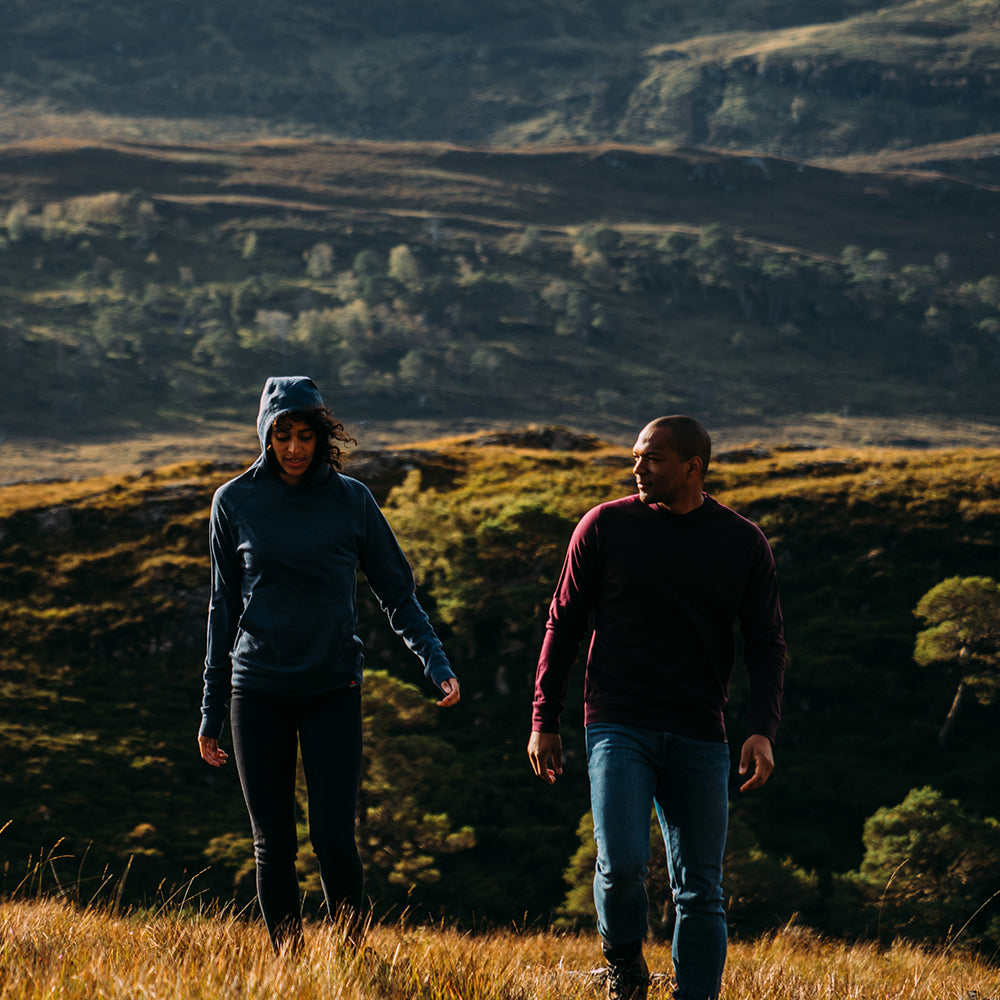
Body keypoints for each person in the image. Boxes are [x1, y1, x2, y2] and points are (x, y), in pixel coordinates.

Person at [198, 375, 460, 952]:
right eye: (282, 435)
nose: (294, 448)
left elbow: (397, 591)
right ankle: (290, 966)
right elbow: (222, 610)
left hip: (332, 688)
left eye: (305, 435)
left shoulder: (352, 499)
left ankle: (349, 960)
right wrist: (211, 710)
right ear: (265, 436)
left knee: (334, 839)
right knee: (273, 844)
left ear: (322, 436)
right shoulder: (233, 501)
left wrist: (434, 660)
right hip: (257, 689)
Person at [527, 415, 785, 1000]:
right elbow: (563, 625)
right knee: (620, 865)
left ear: (694, 467)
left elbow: (766, 644)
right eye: (636, 456)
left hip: (701, 731)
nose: (637, 468)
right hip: (618, 723)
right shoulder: (604, 525)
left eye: (653, 458)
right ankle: (624, 966)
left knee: (701, 891)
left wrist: (762, 730)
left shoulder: (743, 542)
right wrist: (545, 718)